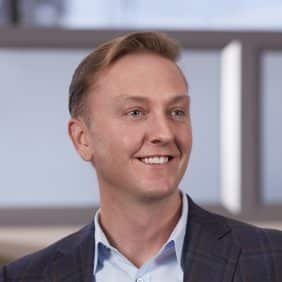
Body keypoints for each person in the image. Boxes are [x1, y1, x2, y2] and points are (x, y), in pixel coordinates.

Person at [1, 31, 282, 282]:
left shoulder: (272, 261)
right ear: (82, 139)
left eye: (177, 112)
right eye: (136, 112)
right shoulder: (24, 277)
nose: (165, 133)